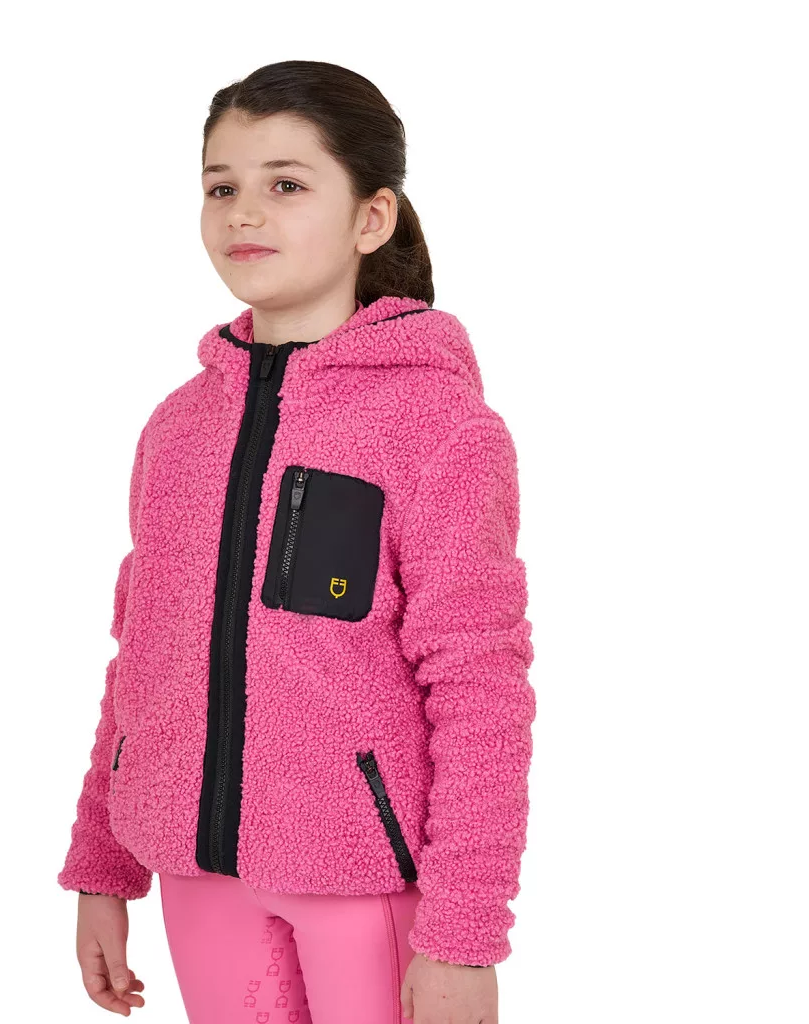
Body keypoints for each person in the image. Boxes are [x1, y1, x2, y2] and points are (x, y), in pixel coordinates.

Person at [57, 59, 536, 1024]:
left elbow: (481, 689)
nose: (244, 212)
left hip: (367, 880)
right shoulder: (177, 428)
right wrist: (103, 864)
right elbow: (141, 659)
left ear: (372, 218)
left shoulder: (439, 426)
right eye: (221, 188)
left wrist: (464, 933)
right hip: (200, 873)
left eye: (286, 184)